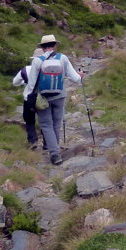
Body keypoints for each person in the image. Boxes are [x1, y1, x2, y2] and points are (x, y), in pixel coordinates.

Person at [22, 34, 82, 165]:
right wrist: (80, 76)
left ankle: (55, 154)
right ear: (55, 45)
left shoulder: (37, 61)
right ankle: (56, 150)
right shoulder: (63, 58)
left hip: (42, 98)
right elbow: (75, 78)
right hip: (59, 96)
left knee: (46, 125)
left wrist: (29, 99)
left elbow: (31, 84)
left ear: (42, 47)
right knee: (56, 124)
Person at [12, 47, 45, 150]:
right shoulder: (47, 68)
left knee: (29, 120)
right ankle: (47, 142)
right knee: (45, 120)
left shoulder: (25, 69)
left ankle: (33, 140)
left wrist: (24, 83)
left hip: (29, 98)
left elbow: (15, 82)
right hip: (43, 98)